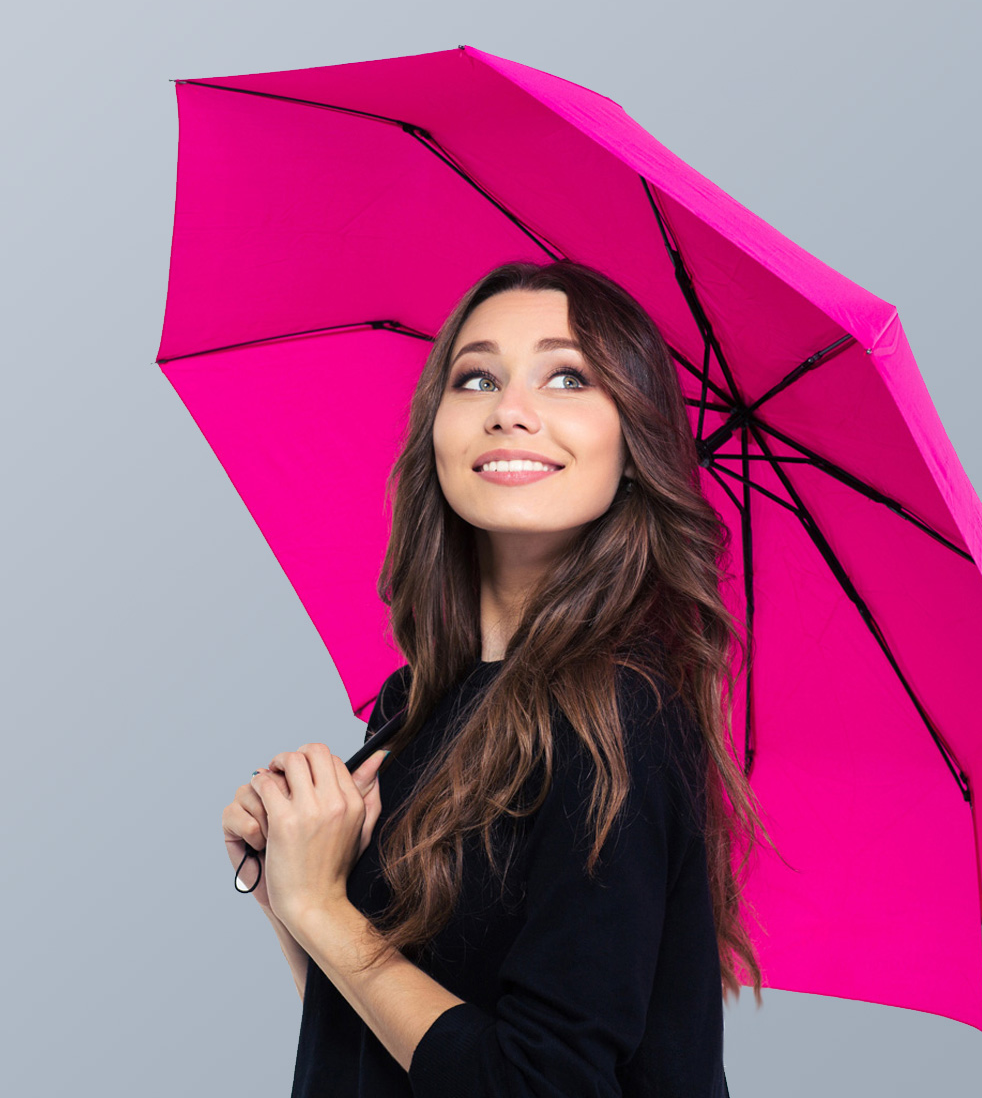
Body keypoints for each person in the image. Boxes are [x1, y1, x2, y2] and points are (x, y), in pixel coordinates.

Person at [221, 260, 771, 1096]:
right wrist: (290, 883)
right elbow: (389, 1052)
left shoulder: (618, 715)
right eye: (476, 377)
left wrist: (323, 913)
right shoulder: (414, 707)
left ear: (634, 448)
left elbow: (535, 1086)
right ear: (436, 427)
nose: (510, 410)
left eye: (567, 377)